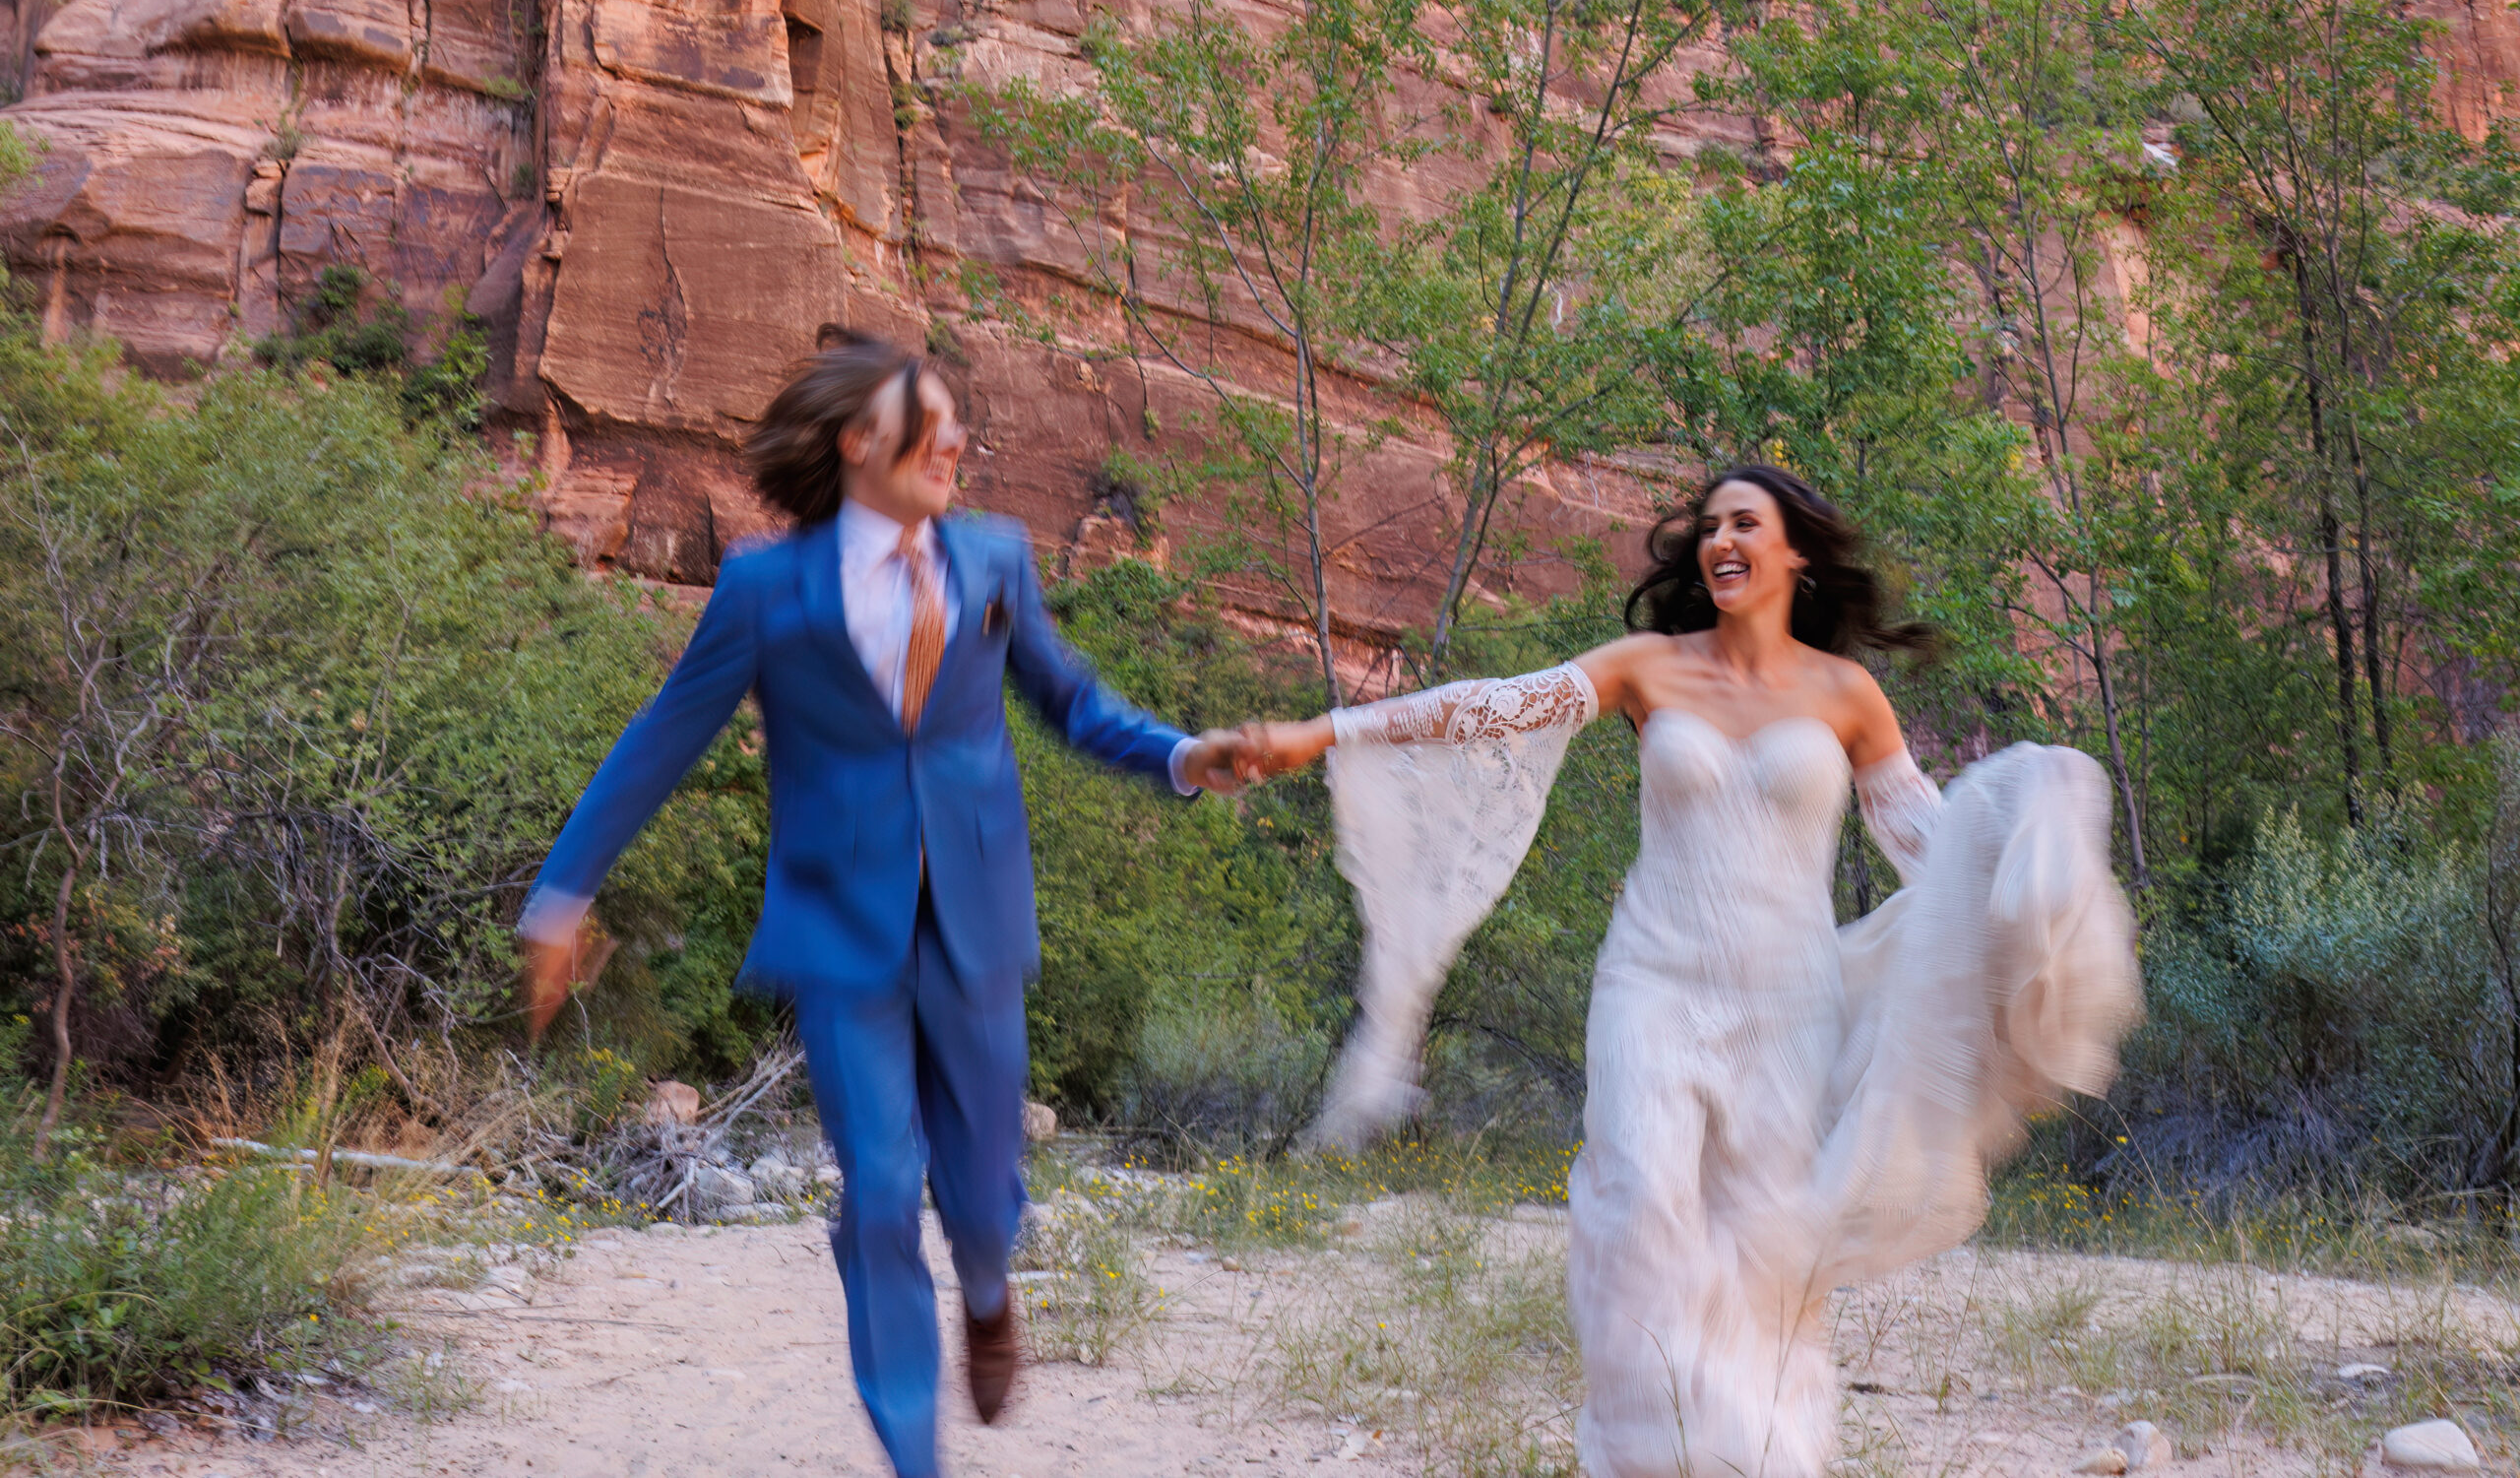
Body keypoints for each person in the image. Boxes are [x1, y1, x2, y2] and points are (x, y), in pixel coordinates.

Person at [1237, 465, 2143, 1478]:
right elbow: (1495, 710)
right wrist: (1320, 733)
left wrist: (2032, 859)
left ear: (1795, 553)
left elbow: (1928, 849)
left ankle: (1754, 1457)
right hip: (1652, 984)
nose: (1720, 541)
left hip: (1789, 1006)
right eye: (1709, 526)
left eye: (1745, 523)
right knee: (1638, 1213)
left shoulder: (1846, 695)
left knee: (1768, 1250)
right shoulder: (1649, 667)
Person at [515, 331, 1250, 1478]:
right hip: (837, 928)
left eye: (958, 425)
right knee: (879, 1190)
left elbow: (1071, 703)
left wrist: (1181, 755)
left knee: (981, 1193)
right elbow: (661, 740)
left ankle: (989, 1287)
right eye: (931, 423)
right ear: (860, 439)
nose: (955, 441)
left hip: (975, 913)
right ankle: (915, 1455)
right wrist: (562, 895)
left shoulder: (994, 559)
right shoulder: (765, 589)